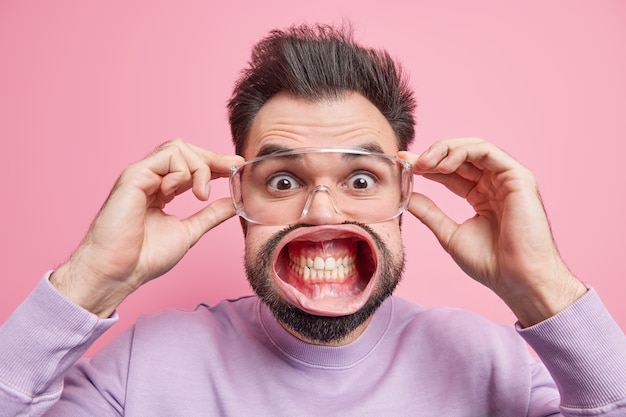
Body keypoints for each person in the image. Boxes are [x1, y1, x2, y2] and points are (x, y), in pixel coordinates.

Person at [1, 23, 625, 417]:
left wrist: (541, 287)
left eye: (360, 180)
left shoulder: (494, 366)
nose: (321, 212)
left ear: (406, 198)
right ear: (238, 204)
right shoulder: (144, 369)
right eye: (282, 179)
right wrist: (92, 278)